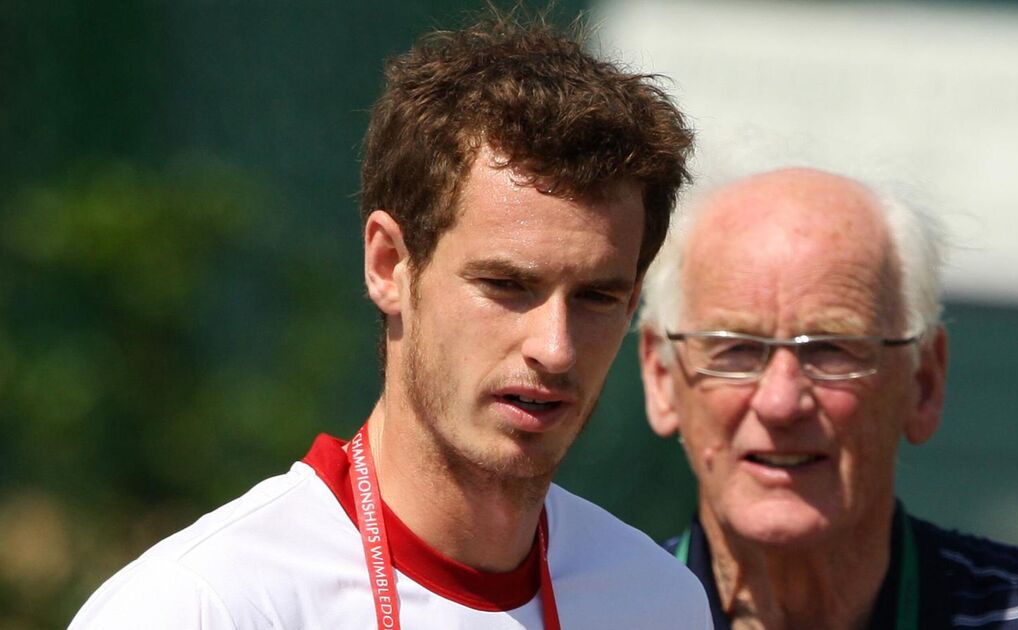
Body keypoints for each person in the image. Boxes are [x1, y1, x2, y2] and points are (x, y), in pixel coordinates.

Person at [70, 14, 713, 630]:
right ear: (388, 265)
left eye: (597, 297)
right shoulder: (206, 606)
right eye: (506, 285)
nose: (555, 347)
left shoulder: (657, 600)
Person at [637, 167, 1018, 629]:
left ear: (924, 381)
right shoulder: (587, 615)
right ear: (662, 378)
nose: (780, 402)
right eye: (736, 350)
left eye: (832, 349)